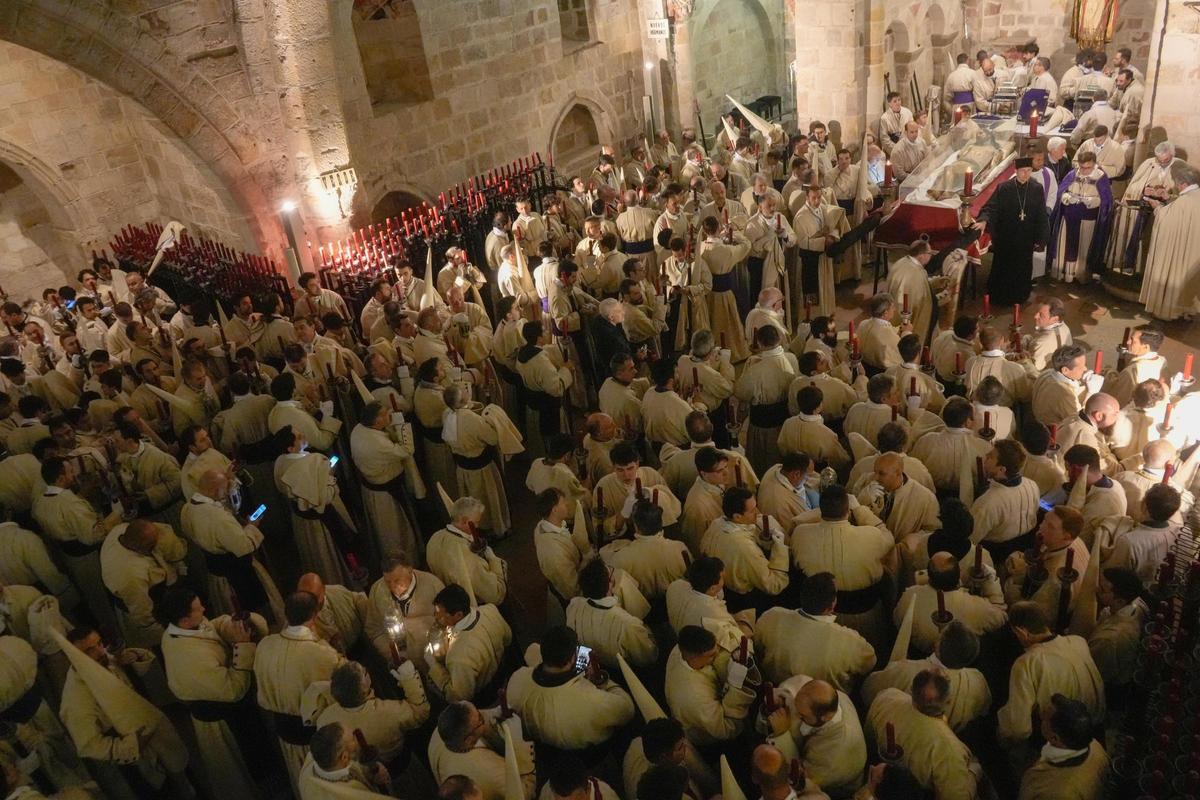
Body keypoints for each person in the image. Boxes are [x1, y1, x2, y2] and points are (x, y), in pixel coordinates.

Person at [157, 585, 268, 800]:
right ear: (185, 620)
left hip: (232, 705)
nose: (205, 610)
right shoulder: (189, 658)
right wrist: (243, 645)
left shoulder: (184, 627)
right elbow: (233, 690)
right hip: (223, 718)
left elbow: (213, 627)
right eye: (199, 609)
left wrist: (232, 624)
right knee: (246, 768)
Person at [254, 591, 343, 790]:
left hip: (282, 731)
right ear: (314, 616)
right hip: (318, 737)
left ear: (286, 615)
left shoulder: (265, 645)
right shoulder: (322, 654)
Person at [505, 625, 634, 751]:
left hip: (539, 747)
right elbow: (627, 710)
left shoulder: (517, 678)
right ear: (572, 658)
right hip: (587, 752)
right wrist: (602, 682)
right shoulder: (591, 700)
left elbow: (531, 650)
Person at [865, 670, 981, 799]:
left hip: (880, 779)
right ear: (948, 701)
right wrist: (973, 773)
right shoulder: (950, 750)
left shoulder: (886, 697)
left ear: (911, 690)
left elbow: (868, 737)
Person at [862, 620, 992, 732]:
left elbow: (868, 692)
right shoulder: (977, 681)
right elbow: (983, 710)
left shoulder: (904, 670)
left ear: (937, 644)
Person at [755, 572, 876, 690]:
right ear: (832, 605)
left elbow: (757, 646)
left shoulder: (772, 617)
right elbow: (869, 663)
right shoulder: (849, 641)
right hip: (826, 703)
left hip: (774, 691)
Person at [762, 675, 867, 797]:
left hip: (832, 788)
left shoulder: (834, 756)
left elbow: (800, 778)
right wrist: (783, 700)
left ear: (824, 718)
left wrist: (782, 734)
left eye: (802, 716)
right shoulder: (829, 700)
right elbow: (798, 689)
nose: (796, 714)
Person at [977, 157, 1050, 306]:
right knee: (1003, 267)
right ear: (1016, 171)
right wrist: (984, 220)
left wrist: (1042, 238)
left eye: (1029, 171)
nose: (1025, 174)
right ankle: (999, 297)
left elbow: (1041, 214)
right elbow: (991, 207)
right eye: (1022, 171)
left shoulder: (1037, 189)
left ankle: (1020, 296)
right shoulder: (1004, 188)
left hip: (1026, 238)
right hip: (1006, 237)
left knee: (1022, 268)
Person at [428, 701, 534, 800]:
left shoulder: (440, 731)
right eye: (480, 719)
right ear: (469, 740)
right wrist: (518, 743)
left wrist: (497, 713)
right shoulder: (490, 772)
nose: (483, 716)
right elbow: (524, 792)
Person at [424, 584, 511, 703]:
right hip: (503, 676)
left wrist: (434, 666)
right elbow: (508, 638)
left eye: (441, 615)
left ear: (458, 615)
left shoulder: (459, 655)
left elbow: (460, 697)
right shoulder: (490, 609)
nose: (436, 617)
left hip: (485, 698)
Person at [1017, 693, 1109, 800]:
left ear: (1055, 738)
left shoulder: (1052, 791)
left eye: (1044, 718)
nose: (1040, 714)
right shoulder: (1095, 746)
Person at [1140, 160, 1200, 321]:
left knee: (1174, 274)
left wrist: (1157, 207)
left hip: (1180, 250)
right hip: (1193, 250)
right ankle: (1186, 309)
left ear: (1183, 183)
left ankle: (1167, 310)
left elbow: (1167, 221)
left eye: (1177, 184)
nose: (1177, 186)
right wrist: (1169, 198)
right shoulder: (1195, 195)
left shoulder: (1184, 202)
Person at [1047, 151, 1114, 284]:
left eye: (1087, 168)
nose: (1083, 171)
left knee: (1083, 247)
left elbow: (1107, 202)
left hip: (1087, 219)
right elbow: (1061, 192)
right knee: (1066, 245)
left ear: (1094, 164)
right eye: (1081, 167)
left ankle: (1080, 274)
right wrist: (1067, 197)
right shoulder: (1073, 174)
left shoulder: (1100, 177)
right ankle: (1063, 272)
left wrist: (1092, 201)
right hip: (1069, 217)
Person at [298, 722, 393, 799]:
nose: (356, 738)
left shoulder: (314, 757)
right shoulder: (352, 795)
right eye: (353, 738)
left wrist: (370, 775)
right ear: (344, 757)